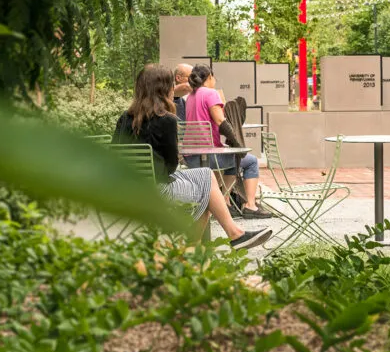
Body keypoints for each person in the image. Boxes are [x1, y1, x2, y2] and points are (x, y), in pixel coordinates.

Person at [112, 65, 272, 250]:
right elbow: (171, 167)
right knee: (205, 191)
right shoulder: (167, 120)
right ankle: (202, 246)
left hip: (128, 189)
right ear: (165, 89)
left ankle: (226, 237)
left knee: (206, 175)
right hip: (158, 190)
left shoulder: (124, 118)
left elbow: (114, 155)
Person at [184, 64, 272, 218]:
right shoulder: (211, 93)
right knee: (250, 161)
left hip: (191, 157)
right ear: (210, 77)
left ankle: (224, 202)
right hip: (209, 157)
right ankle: (248, 205)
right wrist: (236, 143)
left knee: (232, 161)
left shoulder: (191, 96)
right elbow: (220, 121)